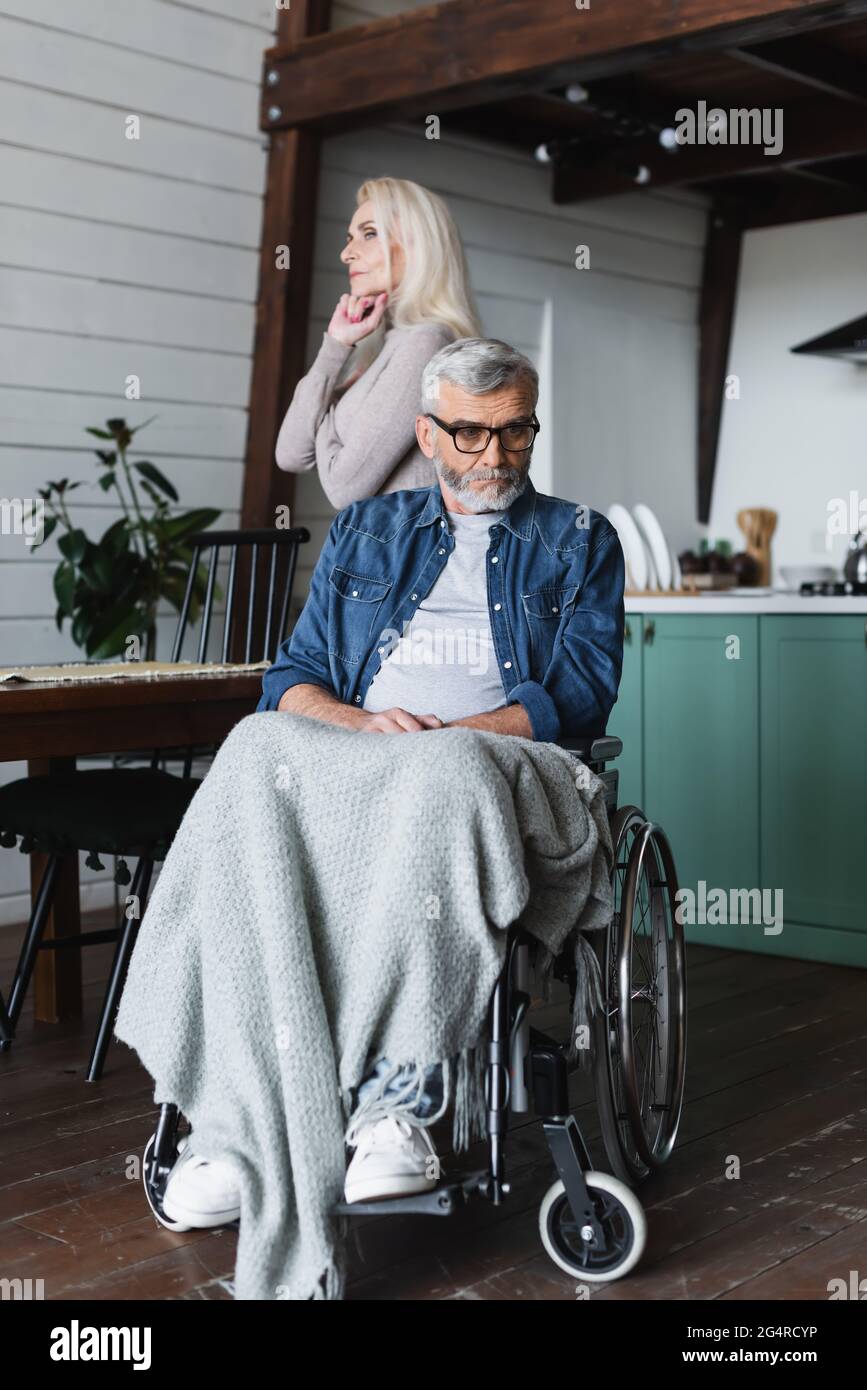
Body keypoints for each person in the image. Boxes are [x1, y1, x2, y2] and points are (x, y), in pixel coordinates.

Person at [161, 338, 625, 1230]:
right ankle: (233, 1123)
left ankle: (395, 1107)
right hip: (365, 761)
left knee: (442, 767)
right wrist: (366, 726)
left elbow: (578, 691)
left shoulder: (577, 538)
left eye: (515, 433)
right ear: (427, 429)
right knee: (257, 744)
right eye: (469, 435)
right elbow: (291, 676)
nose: (495, 456)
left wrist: (444, 735)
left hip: (506, 770)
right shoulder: (368, 530)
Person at [273, 177, 480, 509]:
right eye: (350, 237)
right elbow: (290, 455)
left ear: (419, 246)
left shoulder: (425, 344)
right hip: (376, 554)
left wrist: (326, 410)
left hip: (404, 558)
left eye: (369, 234)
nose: (346, 253)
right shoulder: (386, 346)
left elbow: (344, 489)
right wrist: (335, 346)